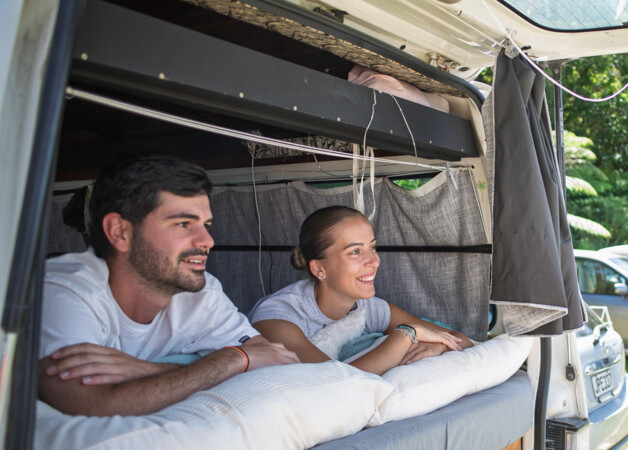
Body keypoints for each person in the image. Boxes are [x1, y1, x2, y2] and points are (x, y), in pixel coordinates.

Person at [40, 154, 299, 417]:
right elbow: (90, 404)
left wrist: (146, 370)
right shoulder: (64, 291)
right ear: (120, 232)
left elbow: (277, 363)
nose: (207, 240)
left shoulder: (201, 294)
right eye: (183, 224)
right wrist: (232, 359)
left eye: (206, 225)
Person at [250, 206, 468, 375]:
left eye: (372, 247)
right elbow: (330, 381)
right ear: (319, 269)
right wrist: (407, 334)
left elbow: (462, 340)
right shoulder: (276, 316)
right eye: (355, 252)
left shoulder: (368, 308)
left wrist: (440, 347)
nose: (374, 261)